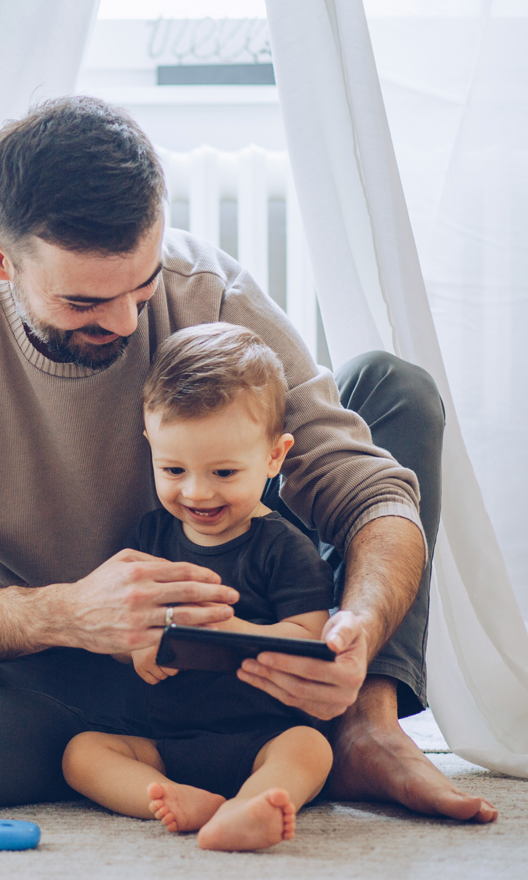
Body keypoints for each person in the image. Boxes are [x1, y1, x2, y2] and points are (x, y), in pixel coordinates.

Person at [0, 96, 496, 824]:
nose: (124, 322)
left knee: (395, 390)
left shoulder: (211, 293)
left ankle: (363, 724)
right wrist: (68, 613)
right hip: (72, 674)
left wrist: (358, 631)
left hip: (255, 654)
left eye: (142, 287)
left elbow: (370, 495)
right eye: (84, 301)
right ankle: (195, 754)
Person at [62, 323, 336, 852]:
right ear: (150, 445)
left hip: (262, 734)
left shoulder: (284, 548)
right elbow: (121, 623)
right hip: (163, 740)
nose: (196, 491)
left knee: (310, 750)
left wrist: (236, 633)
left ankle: (254, 804)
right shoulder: (150, 537)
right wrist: (136, 647)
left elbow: (312, 643)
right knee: (82, 753)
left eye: (225, 472)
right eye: (173, 468)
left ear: (274, 457)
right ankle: (179, 799)